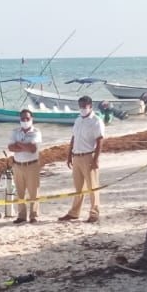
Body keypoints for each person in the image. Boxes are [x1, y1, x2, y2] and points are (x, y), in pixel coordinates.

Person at [59, 95, 105, 223]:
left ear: (90, 106)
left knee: (92, 187)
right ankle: (74, 213)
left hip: (88, 156)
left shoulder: (96, 121)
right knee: (78, 188)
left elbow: (100, 140)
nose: (82, 108)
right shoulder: (78, 119)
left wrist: (95, 159)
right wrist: (69, 155)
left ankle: (94, 213)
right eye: (80, 106)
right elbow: (74, 137)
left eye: (84, 106)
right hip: (77, 156)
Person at [8, 108, 42, 224]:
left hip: (32, 165)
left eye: (27, 118)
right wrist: (25, 146)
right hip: (18, 165)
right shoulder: (15, 131)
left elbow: (33, 149)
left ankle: (34, 215)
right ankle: (22, 215)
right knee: (20, 191)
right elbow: (11, 147)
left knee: (34, 191)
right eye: (23, 118)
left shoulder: (36, 132)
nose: (25, 120)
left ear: (31, 119)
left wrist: (19, 144)